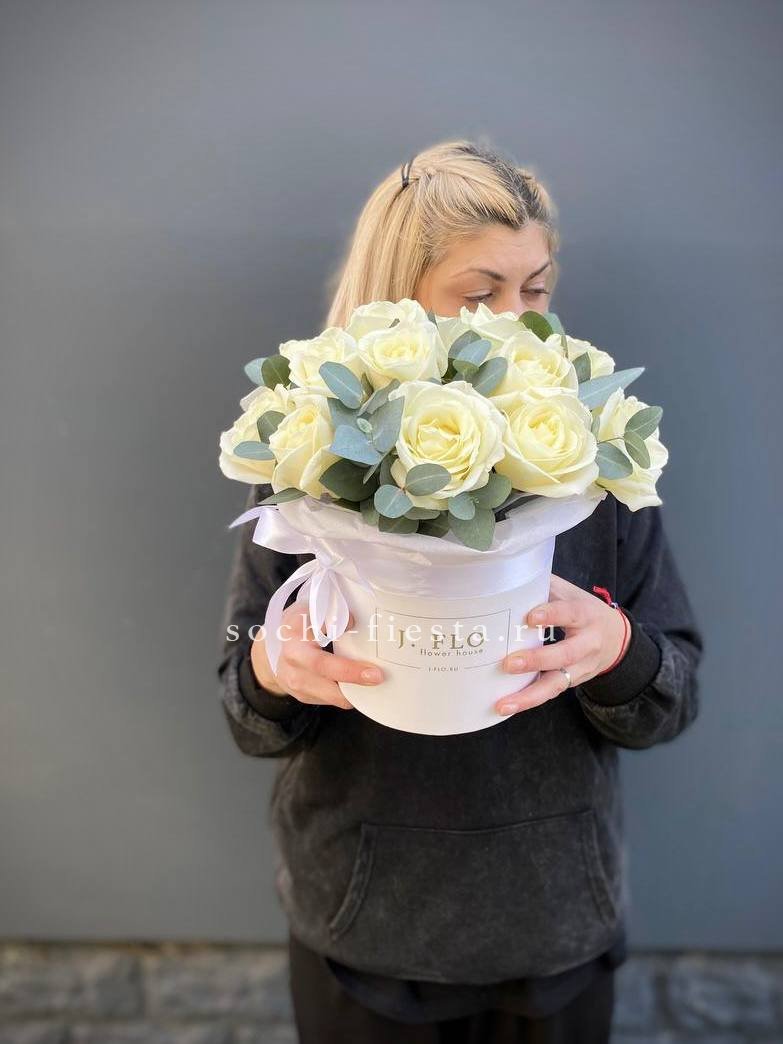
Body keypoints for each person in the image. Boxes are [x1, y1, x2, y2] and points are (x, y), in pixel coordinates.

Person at [217, 138, 704, 1044]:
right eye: (480, 295)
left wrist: (619, 651)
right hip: (362, 937)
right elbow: (243, 706)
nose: (516, 322)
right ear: (394, 301)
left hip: (553, 932)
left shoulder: (592, 462)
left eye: (535, 290)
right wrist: (273, 673)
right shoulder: (307, 457)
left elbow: (672, 695)